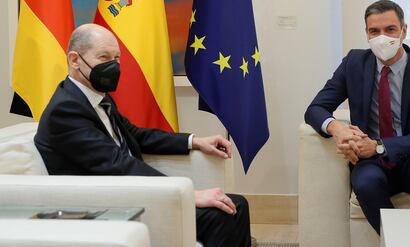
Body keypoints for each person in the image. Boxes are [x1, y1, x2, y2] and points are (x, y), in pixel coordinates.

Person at [35, 23, 251, 247]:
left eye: (117, 58)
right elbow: (116, 164)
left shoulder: (96, 97)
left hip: (131, 192)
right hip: (107, 206)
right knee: (226, 212)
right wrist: (188, 194)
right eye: (103, 57)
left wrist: (194, 141)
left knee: (237, 205)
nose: (113, 66)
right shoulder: (66, 110)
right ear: (74, 59)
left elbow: (136, 135)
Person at [305, 0, 410, 235]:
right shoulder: (354, 62)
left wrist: (378, 147)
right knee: (365, 184)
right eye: (374, 31)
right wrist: (337, 128)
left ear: (404, 31)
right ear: (366, 33)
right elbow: (315, 109)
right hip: (371, 164)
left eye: (390, 29)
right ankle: (398, 240)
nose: (382, 37)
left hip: (409, 155)